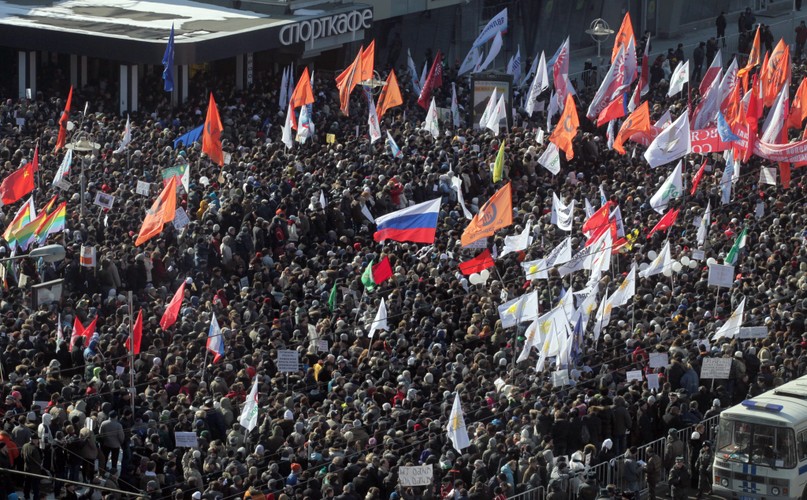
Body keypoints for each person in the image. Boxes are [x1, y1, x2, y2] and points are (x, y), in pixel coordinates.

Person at [21, 435, 43, 500]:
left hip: (26, 469)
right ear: (34, 440)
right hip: (35, 471)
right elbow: (38, 461)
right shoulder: (34, 449)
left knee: (27, 485)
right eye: (37, 440)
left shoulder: (24, 445)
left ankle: (26, 496)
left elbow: (21, 455)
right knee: (35, 487)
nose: (38, 441)